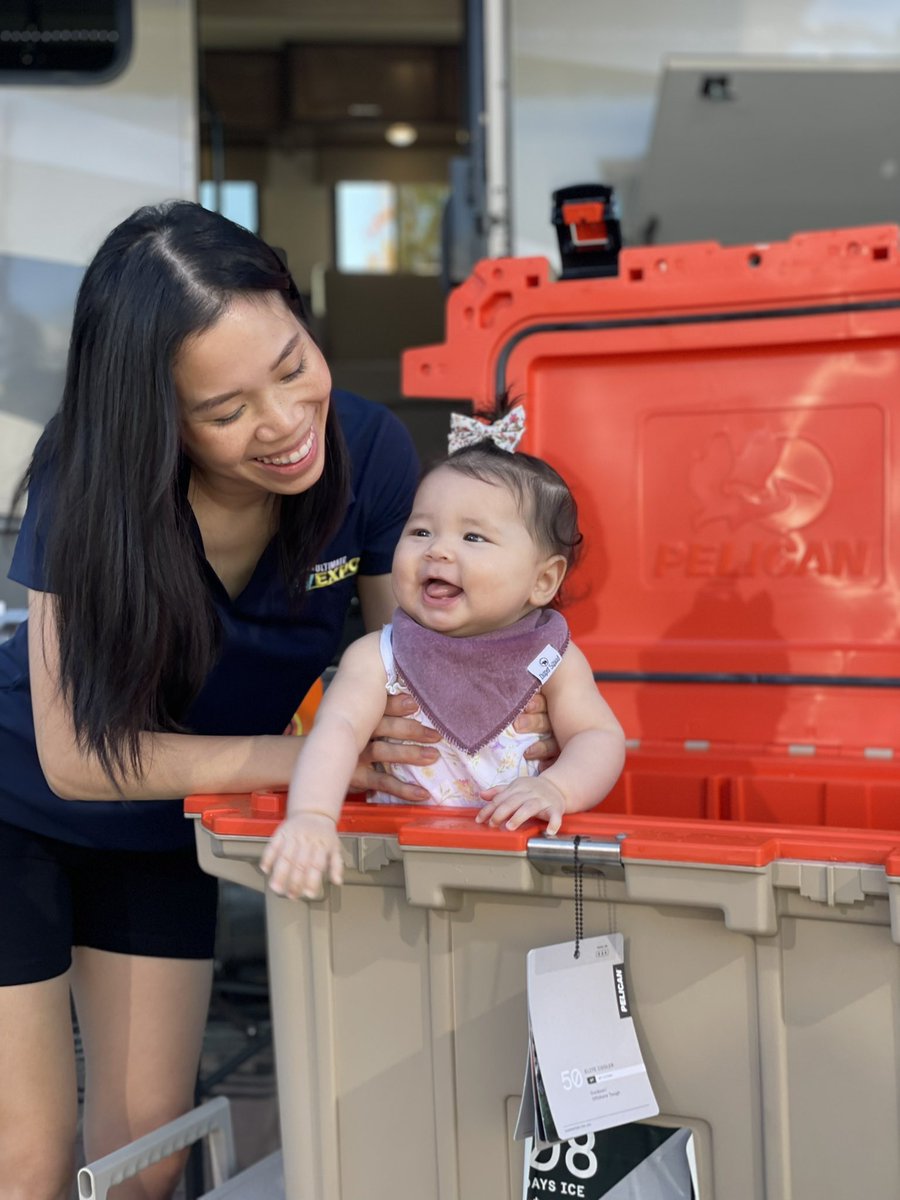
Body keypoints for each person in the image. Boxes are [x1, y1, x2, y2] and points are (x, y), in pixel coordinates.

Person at [0, 201, 557, 1200]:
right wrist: (311, 761)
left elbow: (413, 673)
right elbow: (76, 756)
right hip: (13, 810)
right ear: (155, 419)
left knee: (146, 1163)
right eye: (227, 412)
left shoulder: (368, 453)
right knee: (27, 1161)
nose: (286, 422)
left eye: (294, 365)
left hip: (164, 827)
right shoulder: (87, 486)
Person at [261, 433, 626, 902]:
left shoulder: (550, 659)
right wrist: (312, 815)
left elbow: (598, 737)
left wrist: (557, 788)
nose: (437, 550)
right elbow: (338, 731)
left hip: (522, 866)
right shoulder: (379, 656)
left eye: (473, 537)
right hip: (399, 867)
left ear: (542, 580)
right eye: (420, 531)